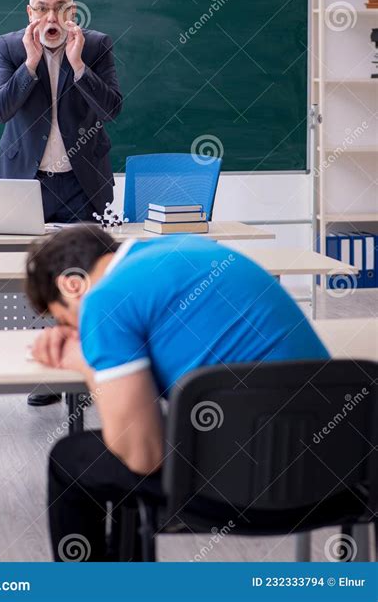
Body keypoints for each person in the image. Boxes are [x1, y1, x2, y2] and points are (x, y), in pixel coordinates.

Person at [25, 226, 329, 561]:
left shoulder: (104, 299)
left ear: (70, 285)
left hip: (253, 490)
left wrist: (85, 363)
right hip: (337, 471)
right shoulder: (188, 248)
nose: (75, 331)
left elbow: (144, 456)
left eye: (66, 319)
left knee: (72, 458)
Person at [0, 0, 122, 406]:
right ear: (30, 13)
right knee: (39, 282)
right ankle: (47, 375)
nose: (52, 16)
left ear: (73, 11)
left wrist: (79, 65)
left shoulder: (96, 46)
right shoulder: (9, 47)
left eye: (61, 7)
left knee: (86, 282)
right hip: (29, 183)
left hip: (81, 183)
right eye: (42, 8)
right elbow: (0, 109)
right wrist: (29, 65)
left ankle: (84, 375)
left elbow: (112, 109)